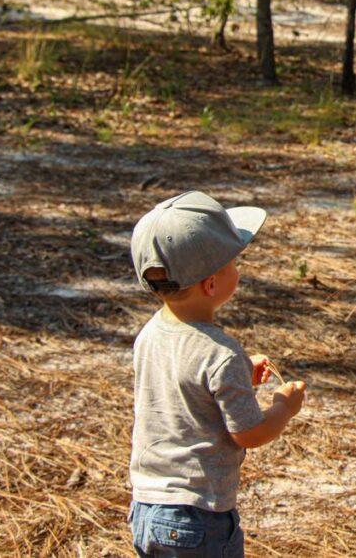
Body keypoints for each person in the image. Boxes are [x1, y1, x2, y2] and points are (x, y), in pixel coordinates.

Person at [127, 191, 307, 557]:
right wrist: (283, 407)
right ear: (211, 284)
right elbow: (249, 433)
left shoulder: (149, 334)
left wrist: (241, 379)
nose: (237, 270)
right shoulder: (221, 353)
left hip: (146, 507)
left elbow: (184, 392)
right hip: (199, 517)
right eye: (233, 263)